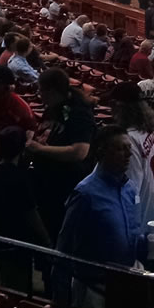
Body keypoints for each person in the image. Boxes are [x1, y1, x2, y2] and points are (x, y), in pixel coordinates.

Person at [55, 126, 150, 308]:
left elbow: (132, 232)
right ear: (101, 152)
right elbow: (64, 246)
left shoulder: (129, 188)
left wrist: (147, 244)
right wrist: (60, 297)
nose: (128, 155)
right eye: (120, 149)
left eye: (129, 149)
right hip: (97, 286)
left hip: (130, 278)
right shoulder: (85, 194)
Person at [0, 126, 48, 289]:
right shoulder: (21, 179)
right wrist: (46, 240)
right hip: (15, 240)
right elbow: (31, 214)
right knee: (16, 287)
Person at [25, 69, 97, 241]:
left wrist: (40, 149)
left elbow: (80, 151)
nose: (39, 94)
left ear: (52, 91)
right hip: (46, 184)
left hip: (66, 187)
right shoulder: (52, 109)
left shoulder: (79, 113)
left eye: (41, 90)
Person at [111, 82, 154, 254]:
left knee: (141, 273)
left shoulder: (129, 138)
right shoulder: (152, 128)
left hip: (145, 211)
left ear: (120, 107)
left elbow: (131, 186)